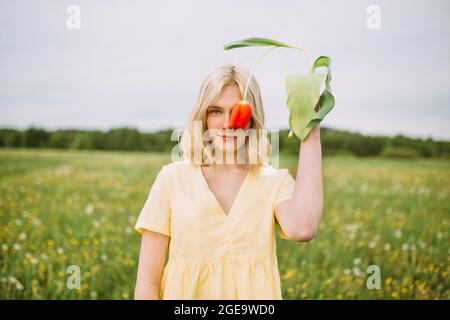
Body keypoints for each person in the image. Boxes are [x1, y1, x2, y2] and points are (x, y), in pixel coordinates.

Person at [134, 64, 324, 299]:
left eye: (238, 112)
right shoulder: (172, 179)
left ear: (253, 119)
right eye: (216, 111)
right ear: (203, 117)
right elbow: (147, 282)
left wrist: (310, 127)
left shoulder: (273, 181)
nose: (228, 124)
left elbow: (302, 229)